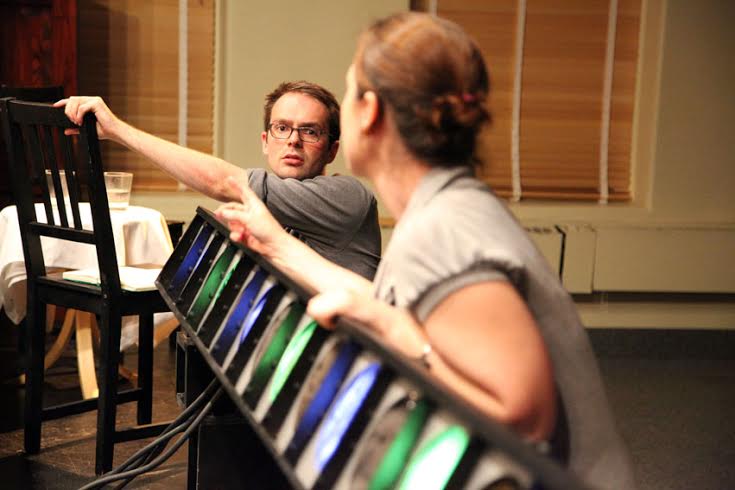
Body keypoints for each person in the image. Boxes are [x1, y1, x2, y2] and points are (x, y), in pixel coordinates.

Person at [214, 12, 635, 490]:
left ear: (369, 112)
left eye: (349, 91)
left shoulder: (442, 230)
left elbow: (524, 418)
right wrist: (277, 245)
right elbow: (395, 305)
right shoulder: (445, 205)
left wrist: (400, 332)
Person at [56, 81, 381, 279]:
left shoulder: (348, 196)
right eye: (282, 128)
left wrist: (116, 130)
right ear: (265, 141)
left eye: (310, 131)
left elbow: (224, 182)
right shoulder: (266, 210)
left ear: (332, 150)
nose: (293, 140)